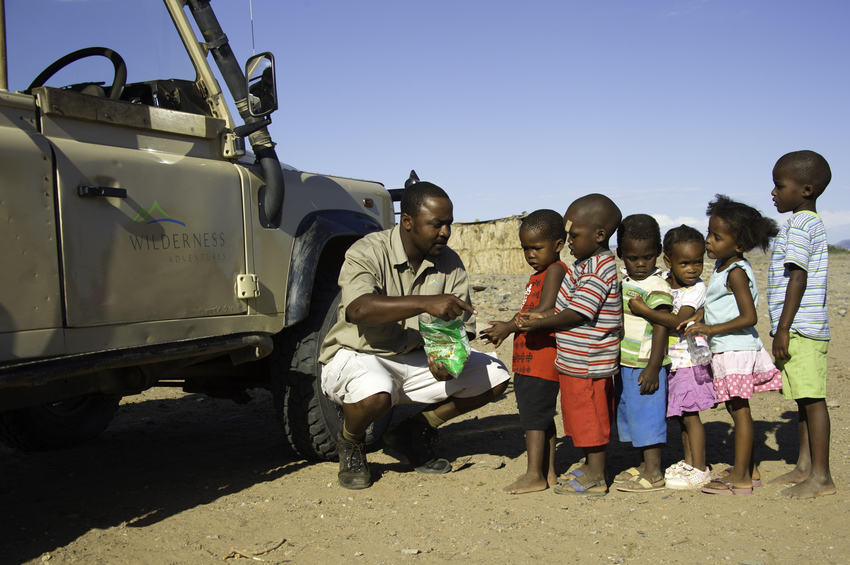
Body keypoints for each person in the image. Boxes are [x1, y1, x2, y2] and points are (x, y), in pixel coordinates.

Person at [319, 179, 511, 490]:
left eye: (448, 224)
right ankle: (351, 442)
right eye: (436, 224)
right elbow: (358, 310)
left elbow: (461, 325)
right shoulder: (368, 251)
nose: (446, 232)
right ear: (407, 222)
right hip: (360, 356)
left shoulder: (450, 261)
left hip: (417, 357)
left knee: (495, 375)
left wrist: (446, 353)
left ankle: (414, 431)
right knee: (376, 392)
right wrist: (426, 303)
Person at [517, 194, 622, 497]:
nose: (569, 241)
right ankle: (590, 466)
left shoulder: (599, 269)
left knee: (590, 419)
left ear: (599, 235)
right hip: (575, 361)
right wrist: (540, 314)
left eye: (574, 235)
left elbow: (578, 311)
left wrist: (539, 322)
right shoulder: (583, 265)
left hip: (589, 362)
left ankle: (597, 476)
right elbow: (564, 304)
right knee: (579, 416)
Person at [685, 195, 782, 496]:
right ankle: (748, 469)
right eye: (709, 233)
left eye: (717, 236)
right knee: (735, 407)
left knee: (739, 411)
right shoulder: (722, 267)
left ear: (738, 244)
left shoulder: (736, 271)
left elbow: (748, 316)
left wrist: (711, 327)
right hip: (727, 348)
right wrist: (703, 314)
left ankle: (740, 477)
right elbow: (721, 304)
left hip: (737, 350)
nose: (708, 241)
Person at [479, 210, 568, 494]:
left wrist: (509, 326)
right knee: (542, 416)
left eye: (537, 247)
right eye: (525, 248)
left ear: (558, 245)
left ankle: (533, 475)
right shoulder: (540, 273)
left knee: (532, 417)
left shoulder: (555, 270)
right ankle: (548, 472)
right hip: (533, 358)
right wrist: (507, 326)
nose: (530, 254)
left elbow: (543, 312)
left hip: (540, 360)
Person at [766, 150, 836, 499]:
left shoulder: (800, 224)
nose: (774, 192)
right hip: (800, 326)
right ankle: (805, 467)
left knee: (813, 400)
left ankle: (821, 477)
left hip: (801, 328)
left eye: (780, 185)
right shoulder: (807, 223)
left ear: (806, 189)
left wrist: (782, 328)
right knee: (802, 399)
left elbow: (798, 277)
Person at [630, 225, 716, 489]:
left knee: (691, 416)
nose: (693, 269)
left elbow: (678, 321)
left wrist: (645, 310)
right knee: (680, 416)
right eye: (685, 263)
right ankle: (689, 461)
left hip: (688, 362)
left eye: (698, 262)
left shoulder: (695, 290)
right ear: (668, 261)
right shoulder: (664, 282)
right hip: (673, 362)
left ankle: (699, 468)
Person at [611, 214, 673, 493]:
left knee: (648, 416)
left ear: (658, 254)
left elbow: (661, 325)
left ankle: (654, 471)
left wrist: (652, 366)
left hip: (646, 362)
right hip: (627, 362)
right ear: (620, 254)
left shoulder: (656, 286)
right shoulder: (626, 281)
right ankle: (643, 466)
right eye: (633, 258)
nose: (640, 264)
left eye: (647, 257)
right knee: (633, 414)